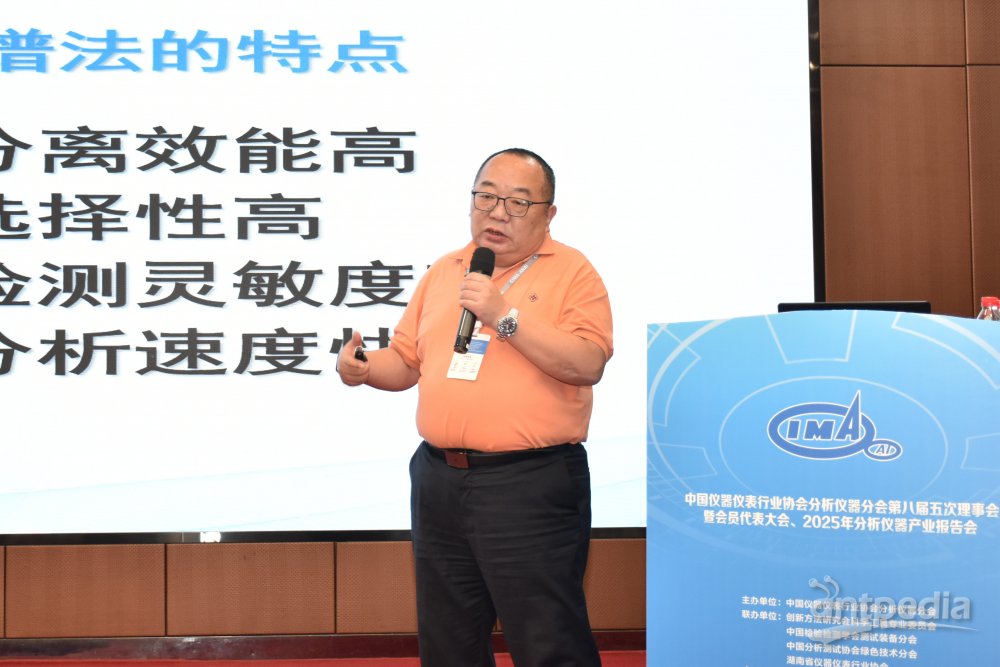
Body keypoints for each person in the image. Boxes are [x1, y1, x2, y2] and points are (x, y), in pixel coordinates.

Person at [337, 148, 613, 667]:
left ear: (549, 214)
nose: (497, 212)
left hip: (528, 484)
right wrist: (364, 368)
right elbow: (406, 360)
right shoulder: (447, 270)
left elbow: (587, 362)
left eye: (517, 202)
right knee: (449, 641)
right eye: (486, 197)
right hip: (440, 480)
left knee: (548, 641)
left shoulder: (573, 272)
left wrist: (502, 315)